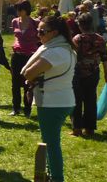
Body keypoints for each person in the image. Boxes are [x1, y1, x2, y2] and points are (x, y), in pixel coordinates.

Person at [22, 16, 76, 182]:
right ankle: (50, 175)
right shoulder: (64, 48)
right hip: (62, 100)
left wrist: (31, 76)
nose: (38, 35)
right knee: (50, 142)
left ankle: (57, 178)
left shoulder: (54, 52)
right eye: (37, 30)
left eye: (42, 31)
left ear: (54, 33)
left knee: (51, 144)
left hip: (53, 103)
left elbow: (28, 73)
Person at [71, 13, 107, 137]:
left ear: (80, 25)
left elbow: (72, 57)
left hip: (77, 74)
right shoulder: (99, 39)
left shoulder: (77, 39)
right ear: (91, 24)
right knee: (90, 100)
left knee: (76, 101)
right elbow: (105, 58)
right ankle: (89, 129)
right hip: (93, 73)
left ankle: (76, 129)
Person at [10, 0, 40, 117]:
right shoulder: (15, 21)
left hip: (30, 56)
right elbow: (16, 36)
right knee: (15, 83)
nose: (17, 12)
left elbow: (40, 37)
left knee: (28, 82)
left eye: (20, 9)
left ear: (26, 10)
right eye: (17, 9)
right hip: (17, 55)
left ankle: (27, 109)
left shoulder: (35, 22)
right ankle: (16, 108)